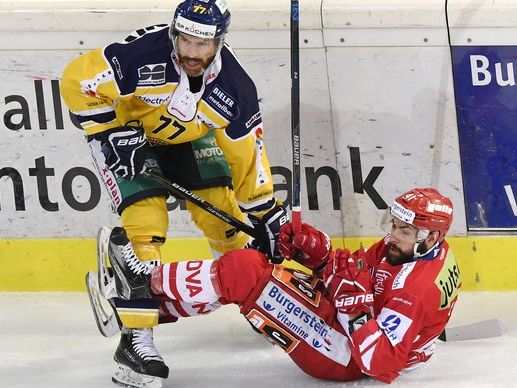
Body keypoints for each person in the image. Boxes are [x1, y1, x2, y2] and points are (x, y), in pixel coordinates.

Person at [60, 0, 287, 386]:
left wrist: (266, 215)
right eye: (185, 40)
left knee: (224, 217)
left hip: (189, 140)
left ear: (219, 41)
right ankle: (136, 337)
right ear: (174, 33)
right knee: (145, 226)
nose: (192, 53)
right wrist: (109, 131)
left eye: (203, 44)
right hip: (127, 138)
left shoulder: (235, 89)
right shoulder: (140, 56)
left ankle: (254, 299)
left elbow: (248, 158)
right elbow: (76, 81)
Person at [102, 187, 460, 385]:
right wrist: (316, 252)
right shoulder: (413, 250)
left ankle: (144, 282)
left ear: (431, 237)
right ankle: (151, 308)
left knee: (245, 272)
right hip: (352, 327)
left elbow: (379, 363)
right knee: (247, 269)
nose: (392, 235)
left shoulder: (415, 289)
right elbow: (357, 271)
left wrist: (354, 308)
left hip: (343, 357)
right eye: (395, 225)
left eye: (404, 230)